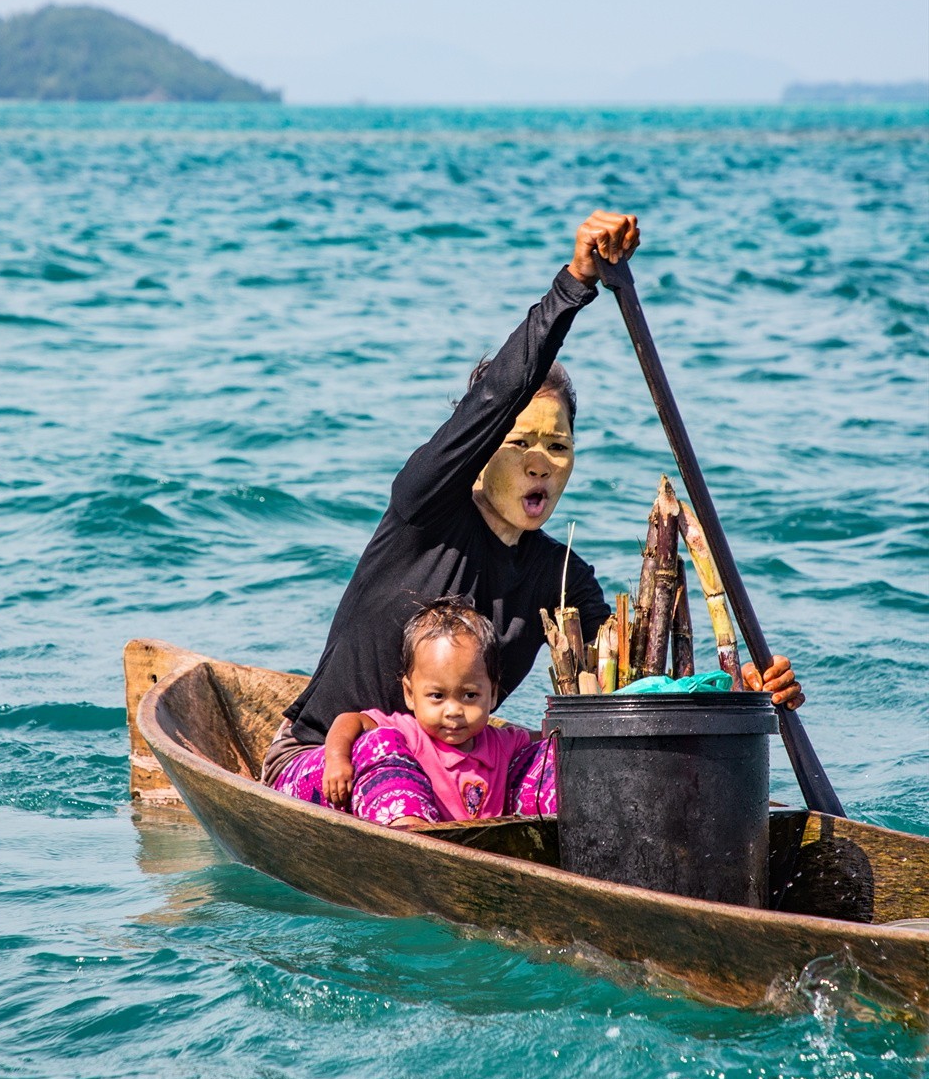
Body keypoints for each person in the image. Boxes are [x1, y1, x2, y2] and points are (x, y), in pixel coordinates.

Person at [261, 210, 803, 818]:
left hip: (463, 777)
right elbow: (496, 397)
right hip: (335, 758)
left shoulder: (563, 577)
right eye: (521, 443)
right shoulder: (424, 512)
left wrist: (738, 695)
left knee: (582, 766)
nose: (541, 462)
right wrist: (574, 284)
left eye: (559, 447)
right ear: (480, 453)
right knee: (386, 749)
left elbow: (632, 687)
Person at [276, 596, 556, 828]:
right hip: (404, 820)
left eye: (470, 695)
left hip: (469, 841)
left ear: (493, 693)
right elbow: (350, 720)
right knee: (378, 741)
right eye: (437, 696)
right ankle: (408, 833)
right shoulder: (406, 734)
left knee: (552, 755)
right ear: (410, 694)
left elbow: (541, 738)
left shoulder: (499, 744)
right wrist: (337, 760)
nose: (453, 711)